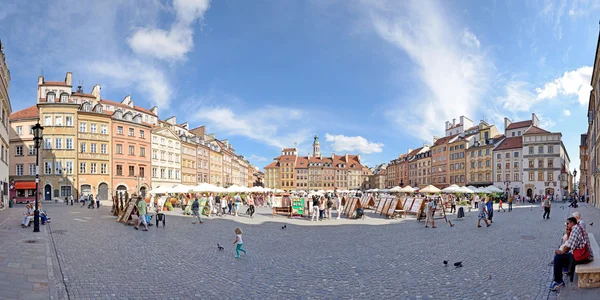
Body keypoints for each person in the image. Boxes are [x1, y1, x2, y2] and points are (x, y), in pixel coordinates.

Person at [549, 217, 594, 291]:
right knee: (565, 256)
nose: (566, 225)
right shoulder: (577, 228)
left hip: (584, 256)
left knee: (558, 257)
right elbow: (572, 242)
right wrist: (568, 233)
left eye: (567, 223)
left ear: (572, 223)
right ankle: (566, 269)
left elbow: (569, 246)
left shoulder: (575, 229)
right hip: (584, 254)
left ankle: (558, 281)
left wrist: (560, 252)